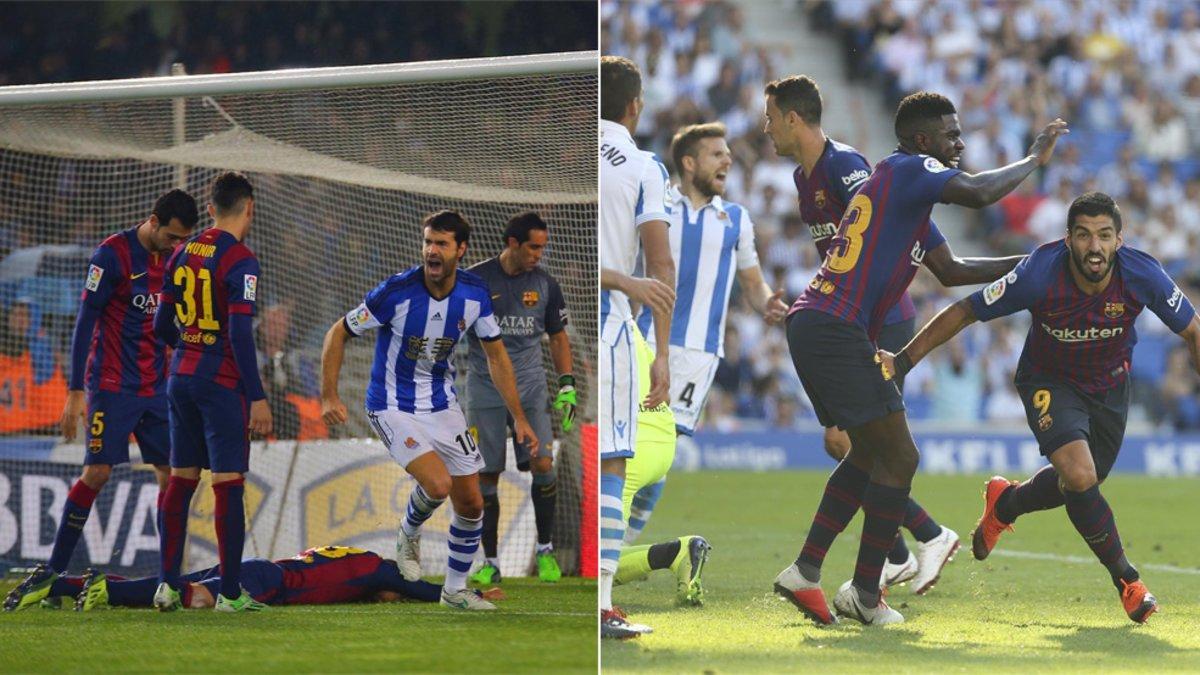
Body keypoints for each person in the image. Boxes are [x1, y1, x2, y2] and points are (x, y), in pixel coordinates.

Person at [771, 90, 1068, 626]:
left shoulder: (900, 192)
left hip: (819, 324)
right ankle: (863, 591)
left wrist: (1033, 263)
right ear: (923, 139)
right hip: (835, 326)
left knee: (867, 454)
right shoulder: (911, 168)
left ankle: (810, 573)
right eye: (952, 134)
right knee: (900, 457)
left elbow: (951, 269)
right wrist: (1032, 159)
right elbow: (978, 193)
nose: (961, 143)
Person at [878, 192, 1195, 624]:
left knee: (1082, 482)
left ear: (1120, 241)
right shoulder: (1039, 273)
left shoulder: (1143, 274)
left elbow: (1193, 330)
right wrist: (903, 361)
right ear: (1068, 240)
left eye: (1104, 236)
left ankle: (1005, 504)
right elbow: (965, 310)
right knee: (1081, 476)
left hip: (1110, 387)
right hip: (1049, 381)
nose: (1094, 246)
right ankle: (1128, 581)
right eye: (1084, 235)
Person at [319, 209, 537, 612]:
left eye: (441, 244)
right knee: (438, 485)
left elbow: (497, 357)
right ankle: (408, 531)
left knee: (472, 503)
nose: (431, 251)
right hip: (390, 404)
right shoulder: (395, 293)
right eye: (428, 242)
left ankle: (454, 591)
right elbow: (339, 332)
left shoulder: (474, 296)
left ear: (461, 250)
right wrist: (329, 395)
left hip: (441, 403)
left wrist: (520, 416)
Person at [3, 190, 198, 612]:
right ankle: (52, 571)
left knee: (174, 475)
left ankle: (168, 581)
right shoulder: (111, 255)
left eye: (181, 239)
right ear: (153, 220)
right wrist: (75, 391)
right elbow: (85, 321)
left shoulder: (176, 259)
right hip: (112, 384)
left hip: (158, 387)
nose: (174, 244)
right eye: (170, 236)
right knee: (97, 472)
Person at [621, 120, 786, 552]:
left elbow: (752, 283)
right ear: (689, 162)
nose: (728, 159)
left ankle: (619, 551)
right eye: (717, 153)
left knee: (658, 461)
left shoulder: (736, 219)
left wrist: (767, 302)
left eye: (728, 154)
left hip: (698, 354)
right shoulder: (656, 209)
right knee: (629, 450)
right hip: (643, 341)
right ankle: (607, 549)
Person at [152, 172, 273, 613]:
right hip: (220, 383)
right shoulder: (241, 261)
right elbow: (241, 335)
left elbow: (161, 326)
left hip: (179, 377)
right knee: (228, 484)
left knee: (181, 480)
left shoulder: (180, 252)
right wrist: (257, 396)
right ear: (249, 208)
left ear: (209, 210)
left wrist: (190, 348)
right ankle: (231, 593)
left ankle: (166, 586)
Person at [599, 54, 675, 639]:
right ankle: (601, 608)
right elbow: (659, 262)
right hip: (612, 323)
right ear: (634, 105)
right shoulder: (643, 165)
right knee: (615, 462)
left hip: (548, 318)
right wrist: (663, 353)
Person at [465, 212, 574, 585]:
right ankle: (489, 561)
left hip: (530, 388)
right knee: (486, 474)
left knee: (543, 463)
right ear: (512, 243)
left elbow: (558, 338)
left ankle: (545, 551)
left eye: (542, 247)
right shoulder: (476, 280)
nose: (539, 254)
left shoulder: (545, 285)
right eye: (533, 247)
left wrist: (567, 384)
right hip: (484, 389)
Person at [41, 546, 500, 611]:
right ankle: (102, 591)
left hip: (260, 568)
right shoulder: (381, 569)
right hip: (268, 582)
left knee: (169, 583)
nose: (391, 598)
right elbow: (417, 589)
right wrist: (465, 592)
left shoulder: (358, 563)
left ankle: (66, 583)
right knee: (190, 598)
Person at [613, 326, 710, 605]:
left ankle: (676, 552)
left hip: (629, 447)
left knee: (602, 564)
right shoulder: (633, 330)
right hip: (662, 439)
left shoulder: (609, 331)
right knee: (607, 552)